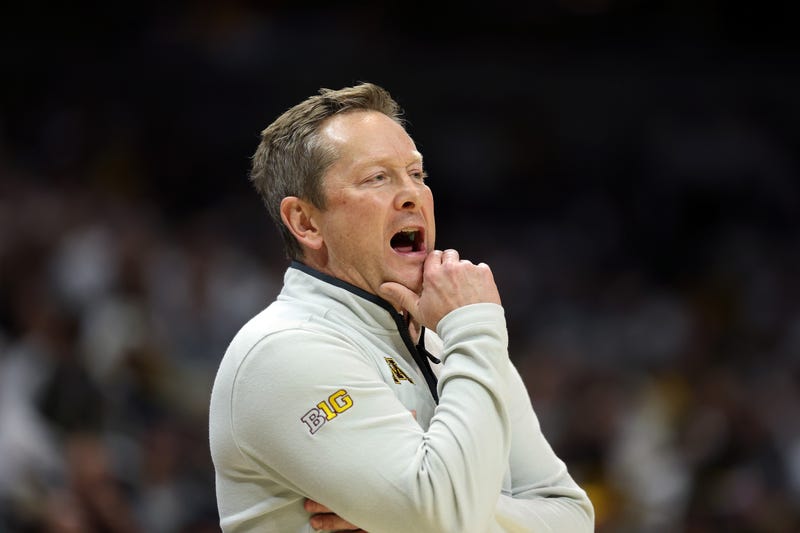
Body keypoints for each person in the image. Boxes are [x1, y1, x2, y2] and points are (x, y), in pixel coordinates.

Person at [209, 82, 594, 532]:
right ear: (305, 222)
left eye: (417, 174)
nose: (413, 195)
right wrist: (428, 513)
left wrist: (414, 516)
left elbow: (572, 516)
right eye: (377, 178)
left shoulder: (455, 339)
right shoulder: (282, 351)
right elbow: (442, 516)